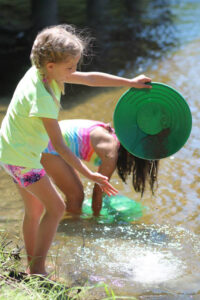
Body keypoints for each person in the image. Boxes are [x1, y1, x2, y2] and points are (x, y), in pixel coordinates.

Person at [0, 24, 152, 276]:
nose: (74, 72)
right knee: (57, 208)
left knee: (35, 210)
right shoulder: (44, 98)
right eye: (70, 68)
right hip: (22, 158)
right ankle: (37, 270)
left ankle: (32, 263)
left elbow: (90, 78)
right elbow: (59, 145)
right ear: (51, 65)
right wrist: (90, 175)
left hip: (10, 148)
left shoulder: (41, 72)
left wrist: (130, 82)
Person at [41, 119, 159, 217]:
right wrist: (96, 219)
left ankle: (68, 218)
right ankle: (71, 228)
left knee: (77, 192)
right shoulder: (111, 152)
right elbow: (98, 191)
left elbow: (100, 188)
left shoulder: (112, 135)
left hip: (51, 137)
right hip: (48, 146)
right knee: (76, 196)